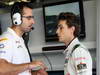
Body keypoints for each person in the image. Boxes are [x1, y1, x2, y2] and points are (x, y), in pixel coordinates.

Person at [0, 2, 48, 75]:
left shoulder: (20, 39)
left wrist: (36, 73)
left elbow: (21, 71)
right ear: (16, 18)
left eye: (32, 18)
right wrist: (29, 65)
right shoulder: (6, 39)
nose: (33, 22)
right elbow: (1, 69)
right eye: (29, 18)